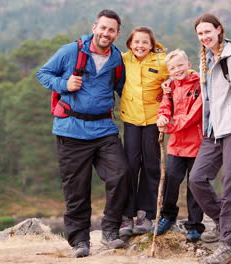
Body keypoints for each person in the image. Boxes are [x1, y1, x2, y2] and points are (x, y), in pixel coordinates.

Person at [36, 9, 129, 257]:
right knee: (76, 188)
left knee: (120, 174)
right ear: (94, 27)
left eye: (112, 30)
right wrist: (63, 84)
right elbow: (43, 73)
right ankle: (80, 241)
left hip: (104, 128)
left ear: (117, 34)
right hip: (71, 129)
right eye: (103, 28)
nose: (106, 33)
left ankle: (110, 231)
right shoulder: (71, 51)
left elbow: (126, 90)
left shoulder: (117, 59)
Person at [188, 13, 231, 264]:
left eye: (208, 31)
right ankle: (223, 223)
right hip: (213, 131)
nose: (204, 37)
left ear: (219, 30)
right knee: (196, 179)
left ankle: (230, 244)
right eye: (200, 33)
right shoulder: (205, 58)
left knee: (230, 185)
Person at [118, 26, 169, 236]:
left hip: (152, 122)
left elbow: (181, 71)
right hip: (130, 120)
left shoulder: (161, 61)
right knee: (129, 166)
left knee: (150, 166)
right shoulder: (122, 59)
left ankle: (145, 214)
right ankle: (126, 215)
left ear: (152, 45)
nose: (140, 45)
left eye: (145, 42)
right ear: (130, 43)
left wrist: (170, 84)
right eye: (136, 42)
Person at [154, 49, 205, 241]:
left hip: (198, 143)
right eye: (172, 68)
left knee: (195, 184)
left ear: (189, 65)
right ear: (168, 71)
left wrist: (170, 125)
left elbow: (195, 114)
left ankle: (195, 225)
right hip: (176, 145)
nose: (177, 70)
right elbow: (165, 106)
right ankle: (167, 216)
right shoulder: (170, 88)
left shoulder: (201, 84)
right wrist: (162, 117)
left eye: (180, 65)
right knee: (171, 181)